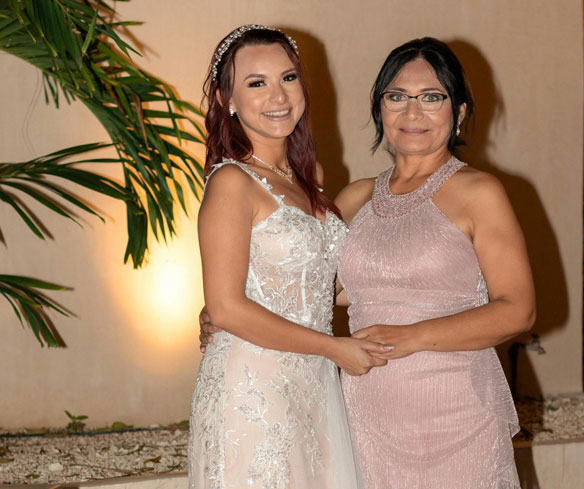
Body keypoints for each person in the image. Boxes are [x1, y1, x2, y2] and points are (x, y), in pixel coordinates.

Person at [201, 36, 535, 489]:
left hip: (455, 410)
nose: (412, 113)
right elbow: (312, 282)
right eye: (397, 97)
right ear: (379, 109)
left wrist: (411, 338)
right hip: (363, 414)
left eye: (431, 97)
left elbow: (518, 310)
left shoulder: (481, 192)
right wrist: (223, 308)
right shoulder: (354, 197)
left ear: (458, 113)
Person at [189, 24, 389, 489]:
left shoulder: (309, 177)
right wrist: (335, 348)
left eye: (288, 78)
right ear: (227, 101)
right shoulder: (231, 183)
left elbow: (322, 287)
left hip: (311, 382)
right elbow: (225, 307)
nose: (278, 96)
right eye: (256, 83)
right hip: (252, 388)